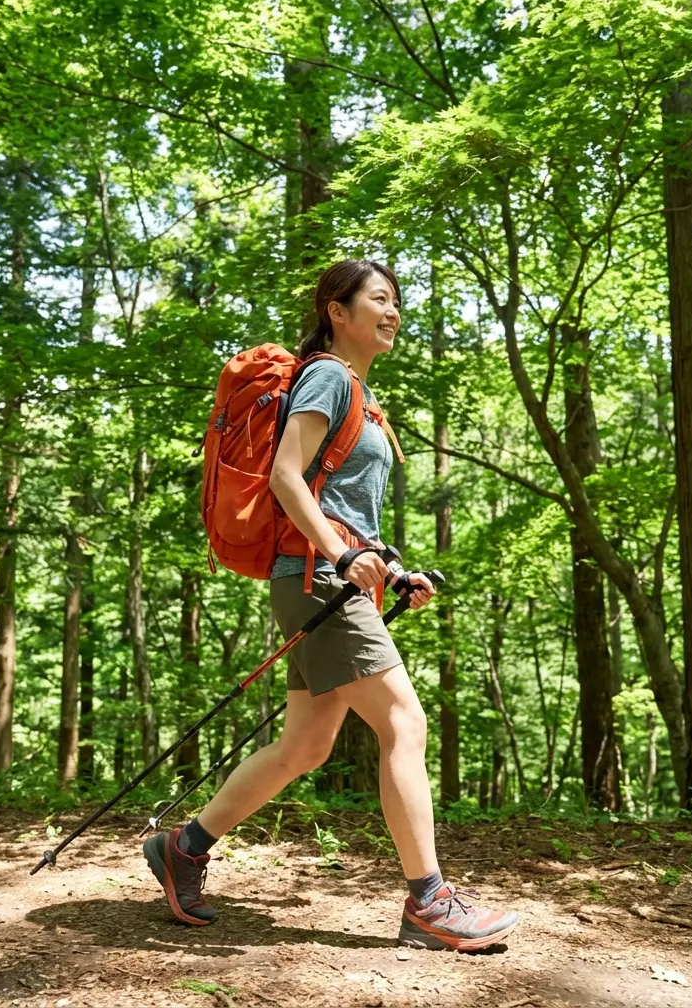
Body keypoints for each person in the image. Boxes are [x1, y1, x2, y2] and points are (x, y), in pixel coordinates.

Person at [143, 259, 518, 951]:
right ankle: (430, 904)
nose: (393, 311)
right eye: (378, 298)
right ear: (336, 310)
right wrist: (344, 558)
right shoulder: (326, 376)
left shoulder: (360, 395)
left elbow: (341, 506)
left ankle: (183, 847)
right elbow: (287, 476)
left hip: (329, 574)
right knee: (405, 721)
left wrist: (390, 566)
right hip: (320, 577)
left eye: (396, 300)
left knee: (305, 745)